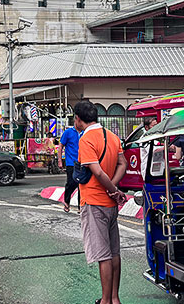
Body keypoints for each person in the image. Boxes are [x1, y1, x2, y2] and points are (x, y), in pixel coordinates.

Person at [74, 100, 127, 304]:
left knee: (103, 255)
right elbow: (122, 164)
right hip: (110, 205)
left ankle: (105, 301)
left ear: (78, 119)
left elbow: (96, 171)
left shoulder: (86, 139)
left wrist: (111, 190)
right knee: (114, 252)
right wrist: (114, 189)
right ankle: (115, 298)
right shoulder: (112, 136)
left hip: (94, 202)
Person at [59, 124, 80, 213]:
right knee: (71, 183)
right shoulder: (68, 132)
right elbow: (60, 147)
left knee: (81, 186)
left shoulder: (85, 132)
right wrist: (60, 161)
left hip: (82, 162)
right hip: (71, 163)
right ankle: (67, 201)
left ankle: (80, 206)